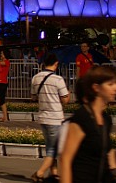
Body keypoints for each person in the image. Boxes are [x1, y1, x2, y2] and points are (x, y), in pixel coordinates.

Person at [59, 65, 116, 183]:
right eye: (110, 84)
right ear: (96, 88)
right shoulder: (82, 117)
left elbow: (113, 162)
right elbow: (65, 159)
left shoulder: (106, 119)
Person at [30, 53, 70, 182]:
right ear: (56, 64)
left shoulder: (35, 78)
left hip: (43, 117)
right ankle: (40, 173)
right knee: (54, 149)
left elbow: (33, 97)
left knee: (50, 147)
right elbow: (65, 99)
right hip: (55, 117)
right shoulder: (58, 79)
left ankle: (54, 173)